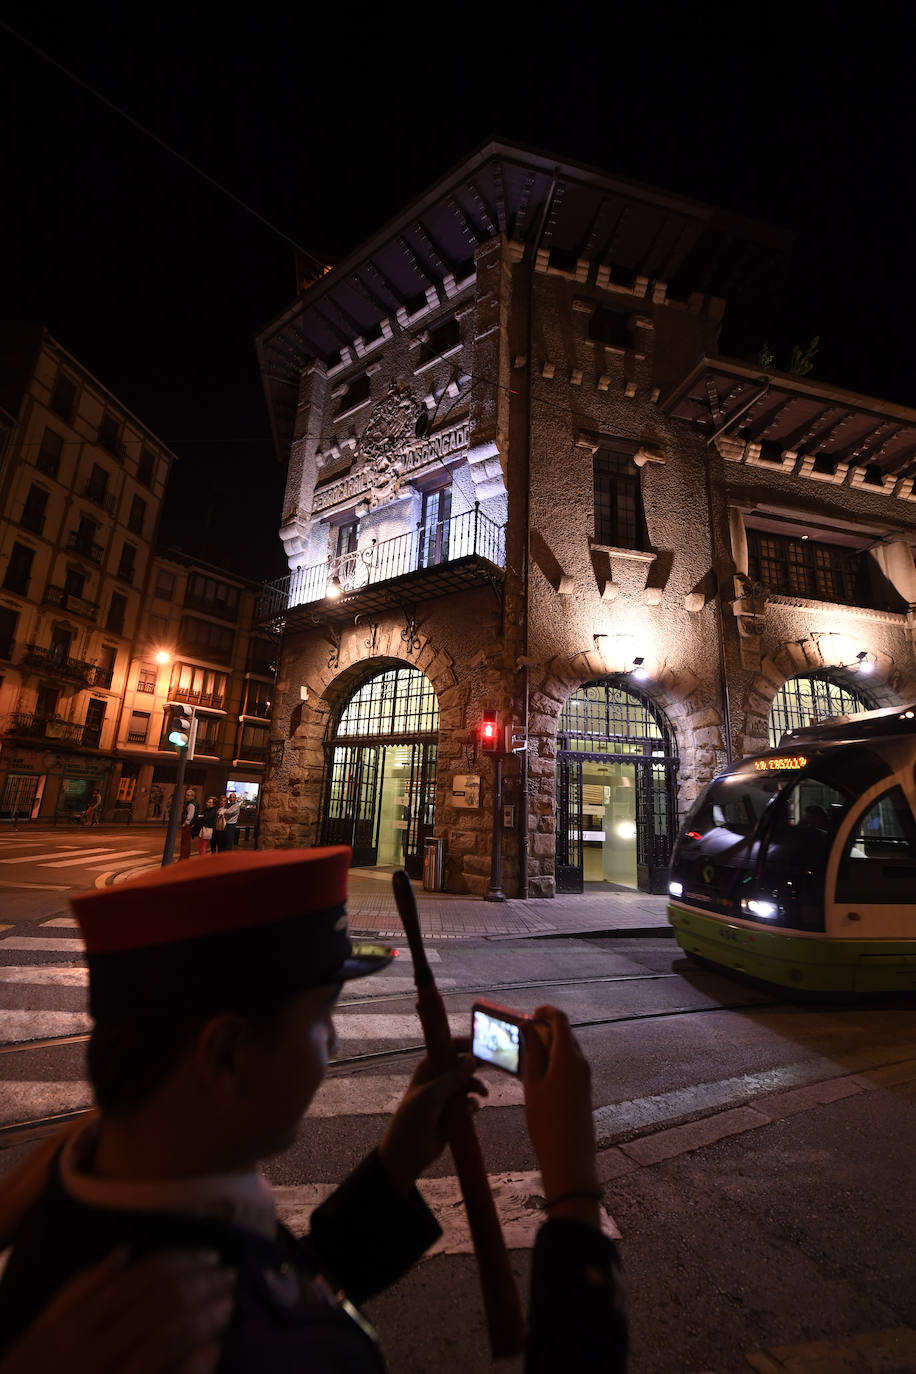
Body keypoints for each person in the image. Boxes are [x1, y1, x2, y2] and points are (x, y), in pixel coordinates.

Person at [0, 849, 626, 1372]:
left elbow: (287, 1276)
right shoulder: (224, 1344)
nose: (333, 1041)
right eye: (322, 1016)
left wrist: (394, 1165)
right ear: (226, 1055)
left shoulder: (73, 1188)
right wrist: (573, 1196)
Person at [178, 787, 198, 861]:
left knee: (185, 842)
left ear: (193, 796)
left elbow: (190, 816)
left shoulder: (191, 804)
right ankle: (185, 857)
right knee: (186, 842)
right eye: (186, 795)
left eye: (189, 795)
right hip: (190, 825)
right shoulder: (193, 803)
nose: (187, 797)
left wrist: (185, 823)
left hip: (187, 825)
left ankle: (183, 858)